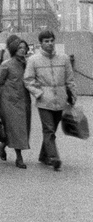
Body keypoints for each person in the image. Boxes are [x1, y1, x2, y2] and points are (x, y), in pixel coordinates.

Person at [24, 28, 78, 173]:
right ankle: (54, 158)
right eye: (46, 41)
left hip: (60, 99)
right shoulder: (33, 60)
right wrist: (38, 93)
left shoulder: (64, 58)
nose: (49, 44)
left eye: (51, 40)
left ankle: (43, 156)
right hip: (45, 100)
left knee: (52, 129)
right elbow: (28, 80)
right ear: (40, 43)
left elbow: (70, 79)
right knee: (48, 129)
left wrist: (72, 95)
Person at [0, 35, 31, 169]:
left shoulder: (28, 64)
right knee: (17, 128)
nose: (22, 50)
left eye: (24, 48)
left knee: (20, 128)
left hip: (24, 100)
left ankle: (2, 146)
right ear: (14, 49)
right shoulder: (6, 65)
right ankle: (19, 158)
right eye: (20, 48)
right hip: (9, 101)